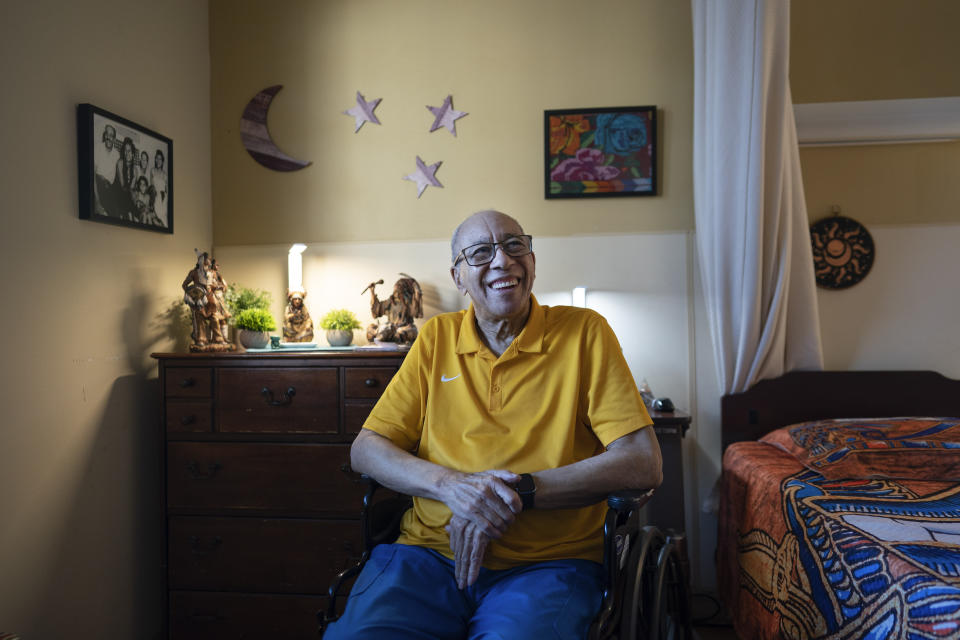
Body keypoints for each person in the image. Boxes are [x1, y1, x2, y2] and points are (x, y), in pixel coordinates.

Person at [324, 210, 662, 639]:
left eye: (514, 245)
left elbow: (642, 461)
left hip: (549, 562)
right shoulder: (434, 338)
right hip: (427, 556)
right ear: (458, 276)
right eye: (481, 252)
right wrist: (454, 488)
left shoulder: (585, 332)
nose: (502, 261)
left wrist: (511, 494)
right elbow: (367, 449)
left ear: (532, 261)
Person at [365, 274, 423, 344]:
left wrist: (417, 293)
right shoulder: (389, 302)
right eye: (395, 290)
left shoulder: (408, 303)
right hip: (389, 328)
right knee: (370, 328)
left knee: (412, 330)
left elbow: (416, 312)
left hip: (403, 329)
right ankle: (384, 335)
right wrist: (372, 291)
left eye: (399, 290)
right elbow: (377, 311)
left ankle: (389, 336)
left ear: (404, 290)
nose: (397, 293)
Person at [93, 124, 119, 216]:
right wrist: (97, 201)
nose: (108, 137)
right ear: (104, 135)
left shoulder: (116, 155)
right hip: (98, 184)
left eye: (111, 135)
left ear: (114, 139)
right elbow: (92, 174)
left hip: (110, 190)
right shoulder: (98, 148)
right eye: (107, 134)